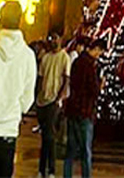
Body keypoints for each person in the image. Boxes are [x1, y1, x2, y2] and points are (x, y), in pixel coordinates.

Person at [0, 0, 38, 178]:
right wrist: (12, 111)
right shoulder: (28, 56)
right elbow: (28, 100)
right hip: (7, 135)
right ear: (20, 21)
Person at [63, 38, 104, 178]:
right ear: (96, 49)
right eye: (99, 52)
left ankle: (67, 175)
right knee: (86, 151)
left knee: (70, 150)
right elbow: (93, 89)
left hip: (73, 109)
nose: (99, 55)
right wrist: (100, 84)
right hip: (85, 111)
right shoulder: (90, 65)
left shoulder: (76, 62)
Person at [36, 33, 72, 178]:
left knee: (49, 136)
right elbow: (40, 78)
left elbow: (66, 79)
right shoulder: (45, 57)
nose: (53, 41)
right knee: (45, 136)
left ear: (61, 39)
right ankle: (42, 169)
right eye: (51, 39)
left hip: (54, 100)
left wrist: (59, 98)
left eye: (55, 38)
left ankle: (50, 170)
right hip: (42, 100)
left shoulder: (64, 57)